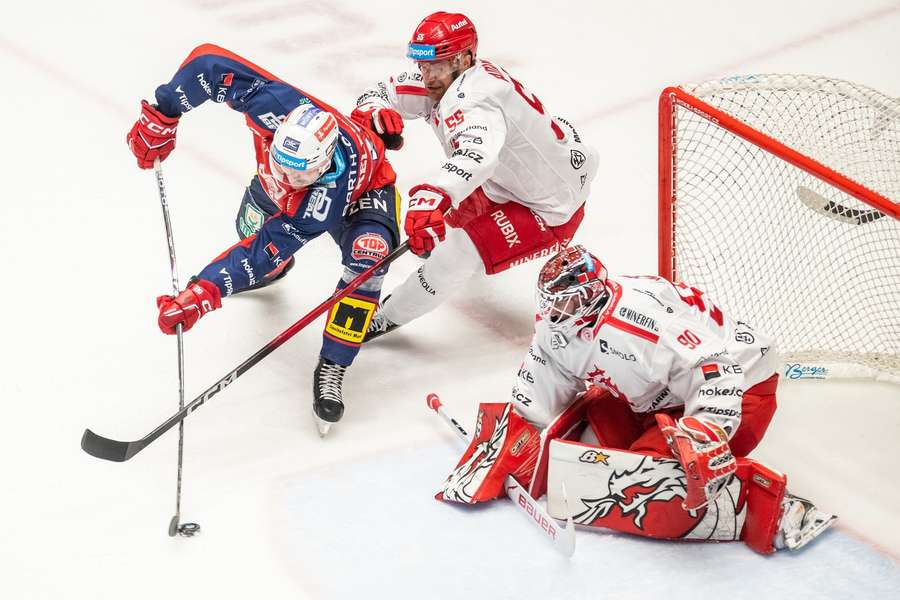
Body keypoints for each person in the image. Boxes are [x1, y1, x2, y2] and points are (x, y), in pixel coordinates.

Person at [436, 245, 836, 553]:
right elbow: (548, 370)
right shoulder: (557, 322)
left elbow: (718, 367)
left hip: (742, 388)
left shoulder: (638, 322)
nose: (555, 311)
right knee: (599, 417)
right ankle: (666, 445)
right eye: (551, 302)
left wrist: (705, 430)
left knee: (649, 477)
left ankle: (776, 509)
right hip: (663, 393)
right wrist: (519, 428)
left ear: (591, 296)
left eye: (566, 302)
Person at [126, 44, 401, 435]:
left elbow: (260, 252)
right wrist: (165, 112)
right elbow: (208, 65)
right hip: (282, 197)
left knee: (368, 259)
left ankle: (334, 364)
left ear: (322, 169)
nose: (288, 179)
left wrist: (204, 291)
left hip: (364, 196)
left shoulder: (319, 201)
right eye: (281, 166)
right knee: (249, 227)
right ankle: (278, 272)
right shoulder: (273, 104)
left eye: (299, 176)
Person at [350, 11, 598, 341]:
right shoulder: (447, 78)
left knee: (456, 255)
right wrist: (374, 111)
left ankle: (385, 317)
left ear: (465, 58)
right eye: (423, 65)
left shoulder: (472, 100)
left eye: (436, 65)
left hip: (550, 206)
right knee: (442, 228)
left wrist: (433, 196)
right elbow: (384, 91)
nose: (427, 77)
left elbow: (477, 156)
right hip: (514, 177)